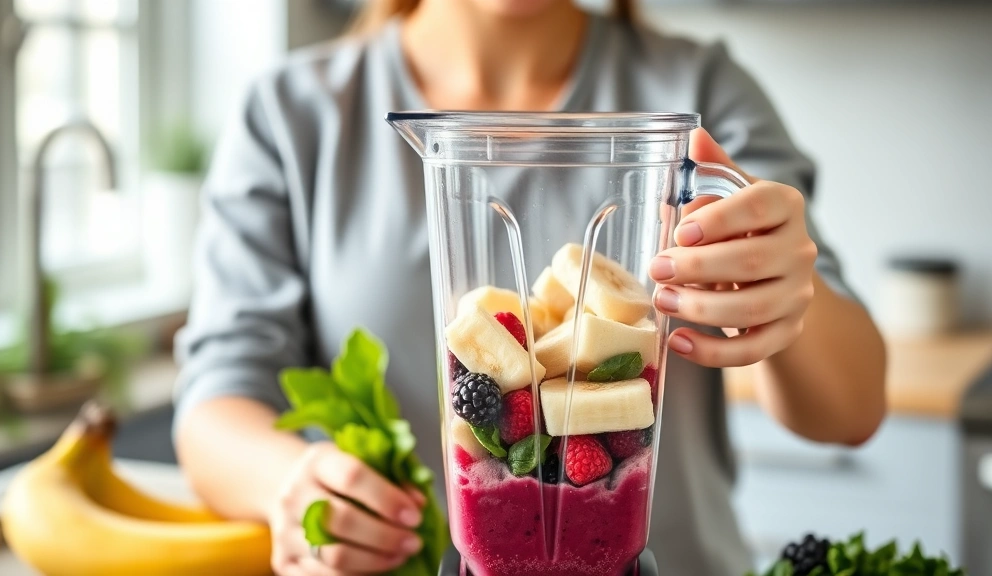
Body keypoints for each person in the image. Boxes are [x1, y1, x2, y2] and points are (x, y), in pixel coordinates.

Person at [173, 0, 887, 574]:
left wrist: (782, 291)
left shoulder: (696, 95)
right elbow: (216, 396)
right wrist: (294, 485)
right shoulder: (291, 112)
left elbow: (851, 411)